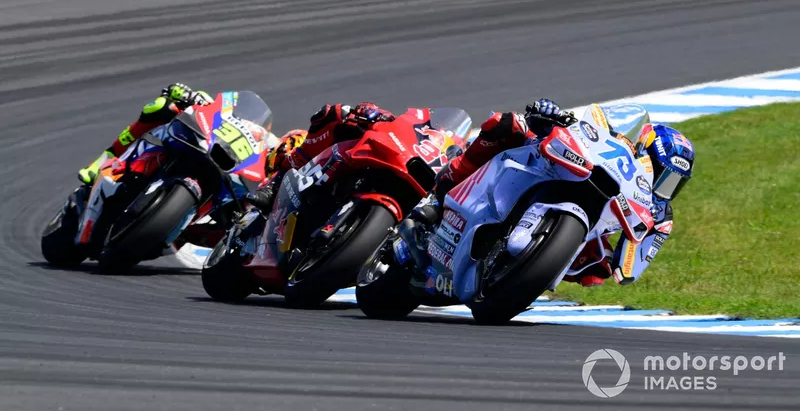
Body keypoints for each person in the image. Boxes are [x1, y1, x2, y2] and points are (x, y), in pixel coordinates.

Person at [410, 100, 695, 288]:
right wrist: (551, 117)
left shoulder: (658, 213)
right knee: (508, 124)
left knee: (597, 270)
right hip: (560, 167)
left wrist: (608, 257)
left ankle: (514, 272)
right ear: (643, 151)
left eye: (672, 183)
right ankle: (436, 196)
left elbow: (627, 270)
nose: (661, 186)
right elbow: (587, 130)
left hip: (589, 227)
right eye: (661, 174)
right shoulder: (618, 146)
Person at [247, 102, 395, 210]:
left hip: (346, 183)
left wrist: (376, 115)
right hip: (291, 198)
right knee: (332, 114)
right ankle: (274, 188)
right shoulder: (254, 193)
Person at [77, 83, 213, 184]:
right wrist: (178, 96)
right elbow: (150, 109)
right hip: (172, 140)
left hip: (203, 154)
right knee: (161, 106)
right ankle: (100, 164)